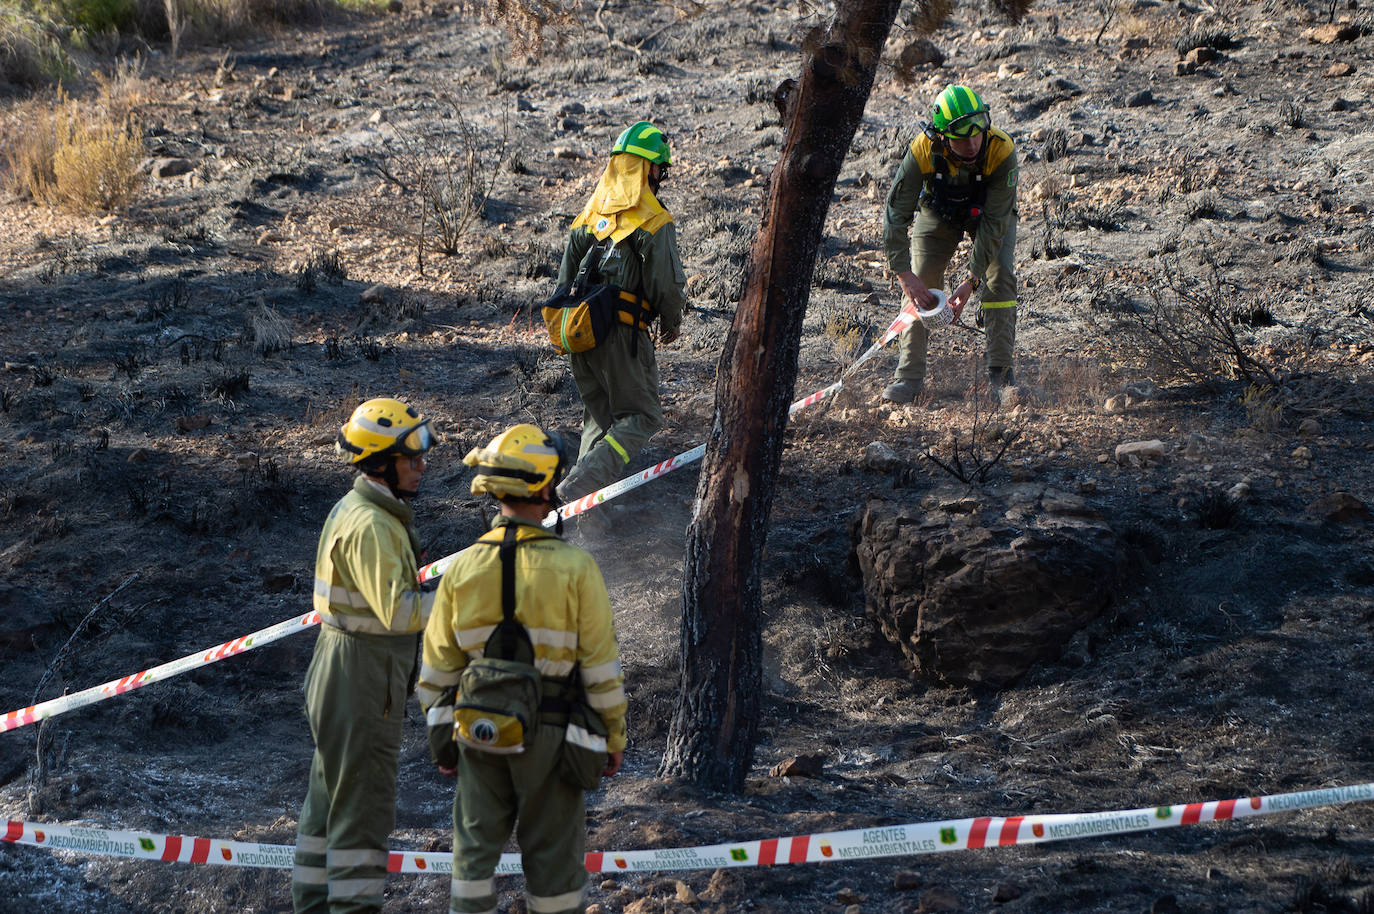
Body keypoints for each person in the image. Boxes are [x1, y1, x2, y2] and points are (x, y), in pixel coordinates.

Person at [417, 423, 627, 914]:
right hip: (553, 743)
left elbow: (435, 676)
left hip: (479, 736)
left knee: (470, 868)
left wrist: (444, 745)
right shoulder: (576, 568)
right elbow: (600, 669)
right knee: (554, 875)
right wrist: (612, 738)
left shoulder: (462, 569)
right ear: (544, 488)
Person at [293, 397, 437, 914]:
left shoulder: (360, 508)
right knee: (362, 811)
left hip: (340, 665)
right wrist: (463, 594)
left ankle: (312, 904)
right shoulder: (373, 524)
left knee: (328, 801)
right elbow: (398, 613)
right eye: (411, 455)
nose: (422, 464)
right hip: (362, 673)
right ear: (380, 463)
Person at [554, 120, 687, 504]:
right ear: (647, 168)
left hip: (581, 333)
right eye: (660, 167)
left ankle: (586, 514)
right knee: (642, 417)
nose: (662, 175)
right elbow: (666, 284)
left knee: (600, 421)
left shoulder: (587, 216)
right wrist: (672, 321)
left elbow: (564, 282)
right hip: (622, 338)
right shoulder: (652, 219)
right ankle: (581, 486)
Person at [881, 84, 1020, 403]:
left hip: (989, 216)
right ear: (942, 136)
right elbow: (895, 214)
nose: (972, 144)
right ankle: (909, 378)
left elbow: (996, 224)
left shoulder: (1001, 149)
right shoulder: (922, 150)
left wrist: (971, 281)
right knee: (923, 279)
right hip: (938, 212)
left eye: (977, 133)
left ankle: (1002, 376)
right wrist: (904, 275)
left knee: (1000, 278)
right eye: (961, 137)